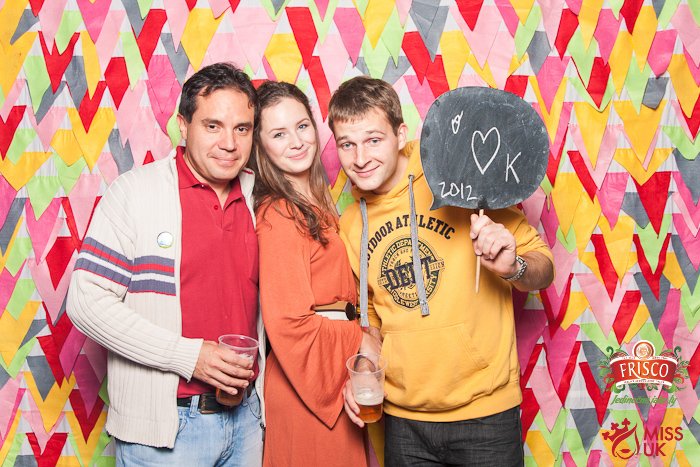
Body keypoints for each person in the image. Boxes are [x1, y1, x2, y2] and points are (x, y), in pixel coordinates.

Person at [328, 76, 555, 466]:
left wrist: (513, 266)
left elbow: (543, 268)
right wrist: (365, 366)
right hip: (403, 422)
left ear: (400, 135)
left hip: (485, 415)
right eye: (347, 144)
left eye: (373, 140)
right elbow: (372, 318)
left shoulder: (453, 173)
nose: (360, 158)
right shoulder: (350, 224)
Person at [67, 62, 265, 466]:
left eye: (242, 129)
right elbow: (85, 302)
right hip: (166, 429)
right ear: (183, 126)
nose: (229, 143)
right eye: (213, 126)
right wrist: (187, 356)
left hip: (247, 421)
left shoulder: (259, 196)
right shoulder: (135, 193)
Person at [252, 81, 369, 467]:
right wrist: (364, 339)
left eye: (302, 126)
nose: (297, 141)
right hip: (309, 385)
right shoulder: (280, 213)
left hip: (336, 370)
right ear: (261, 146)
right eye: (279, 134)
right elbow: (289, 323)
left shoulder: (318, 203)